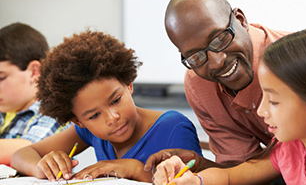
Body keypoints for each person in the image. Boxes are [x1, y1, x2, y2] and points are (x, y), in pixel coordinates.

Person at [144, 0, 306, 173]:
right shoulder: (199, 84)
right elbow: (245, 170)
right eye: (195, 56)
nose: (216, 62)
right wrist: (201, 166)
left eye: (220, 38)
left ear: (240, 20)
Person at [152, 28, 306, 185]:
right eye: (263, 96)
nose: (261, 110)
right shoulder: (292, 150)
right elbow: (230, 176)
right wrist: (196, 181)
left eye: (273, 101)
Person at [10, 30, 203, 183]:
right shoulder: (87, 132)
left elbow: (192, 181)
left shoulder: (174, 127)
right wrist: (40, 166)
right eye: (94, 116)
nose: (112, 118)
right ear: (78, 121)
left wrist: (134, 169)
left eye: (116, 100)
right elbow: (21, 154)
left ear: (129, 84)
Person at [0, 22, 69, 166]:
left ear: (34, 72)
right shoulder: (5, 110)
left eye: (1, 78)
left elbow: (30, 150)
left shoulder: (54, 111)